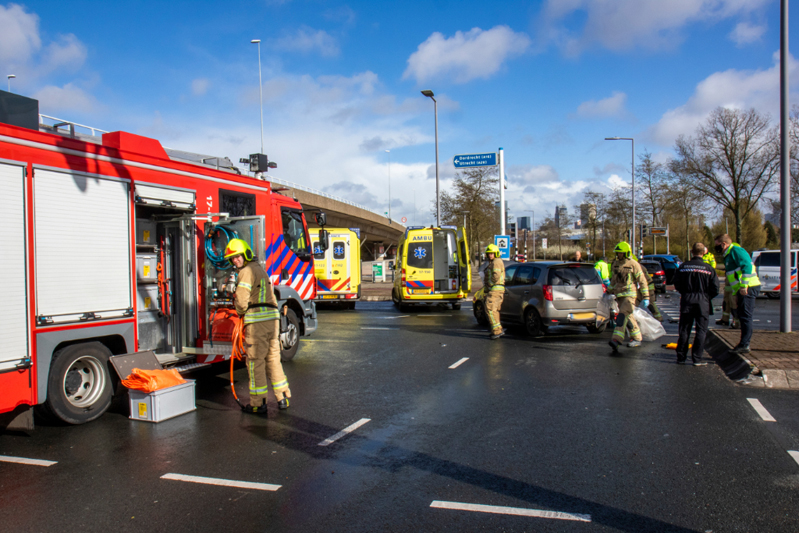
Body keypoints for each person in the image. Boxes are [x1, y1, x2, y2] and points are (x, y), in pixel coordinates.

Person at [225, 238, 291, 414]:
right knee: (273, 360)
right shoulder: (259, 269)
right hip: (272, 321)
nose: (235, 261)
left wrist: (239, 310)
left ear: (245, 254)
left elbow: (241, 300)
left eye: (237, 256)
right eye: (232, 258)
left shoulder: (245, 272)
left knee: (255, 362)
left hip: (257, 323)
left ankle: (258, 403)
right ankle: (282, 397)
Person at [714, 234, 761, 354]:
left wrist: (744, 286)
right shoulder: (729, 254)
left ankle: (745, 344)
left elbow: (747, 266)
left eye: (717, 245)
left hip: (748, 287)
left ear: (723, 244)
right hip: (742, 289)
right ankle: (743, 343)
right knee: (742, 315)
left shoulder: (736, 251)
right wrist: (735, 292)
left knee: (745, 316)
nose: (716, 248)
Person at [673, 243, 720, 365]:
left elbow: (676, 283)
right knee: (701, 330)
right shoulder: (709, 269)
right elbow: (715, 288)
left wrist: (685, 292)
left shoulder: (683, 267)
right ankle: (697, 358)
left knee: (684, 329)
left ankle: (681, 357)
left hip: (687, 299)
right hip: (702, 301)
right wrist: (706, 296)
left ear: (691, 252)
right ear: (704, 252)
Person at [608, 242, 649, 352]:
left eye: (620, 253)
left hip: (630, 295)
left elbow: (642, 280)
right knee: (628, 317)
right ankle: (636, 337)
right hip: (620, 295)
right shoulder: (616, 264)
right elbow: (614, 280)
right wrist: (608, 290)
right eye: (617, 253)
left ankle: (616, 340)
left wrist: (646, 297)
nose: (618, 255)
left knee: (621, 316)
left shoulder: (633, 264)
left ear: (626, 253)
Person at [483, 244, 505, 340]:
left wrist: (489, 285)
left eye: (492, 253)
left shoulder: (496, 262)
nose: (490, 255)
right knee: (494, 310)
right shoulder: (494, 262)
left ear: (496, 253)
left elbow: (496, 276)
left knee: (490, 309)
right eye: (488, 254)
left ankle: (497, 331)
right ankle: (497, 329)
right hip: (496, 289)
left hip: (495, 289)